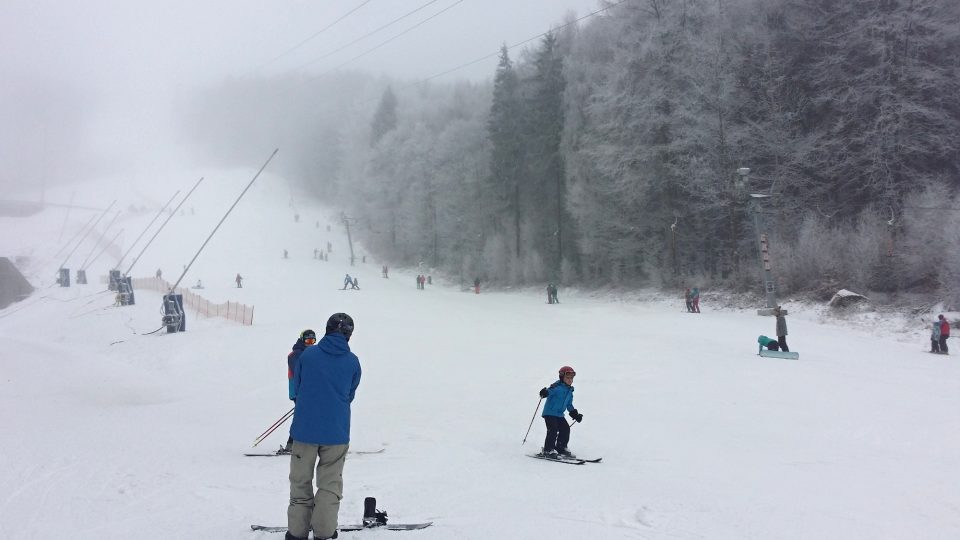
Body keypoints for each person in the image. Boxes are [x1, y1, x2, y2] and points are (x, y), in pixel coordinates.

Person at [287, 313, 361, 540]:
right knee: (329, 485)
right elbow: (349, 393)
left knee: (300, 482)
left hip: (304, 431)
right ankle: (324, 532)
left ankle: (297, 532)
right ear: (349, 335)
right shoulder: (352, 361)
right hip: (336, 433)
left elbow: (296, 387)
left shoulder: (308, 356)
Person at [537, 366, 583, 458]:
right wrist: (544, 393)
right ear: (562, 377)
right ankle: (548, 450)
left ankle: (561, 447)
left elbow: (569, 405)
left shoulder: (570, 391)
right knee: (553, 430)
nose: (570, 380)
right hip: (549, 413)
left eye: (571, 378)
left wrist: (575, 414)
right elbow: (549, 391)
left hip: (559, 414)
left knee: (565, 429)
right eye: (568, 378)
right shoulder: (556, 387)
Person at [283, 329, 317, 453]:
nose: (310, 343)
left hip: (308, 390)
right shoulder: (295, 355)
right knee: (301, 416)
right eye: (308, 340)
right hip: (298, 391)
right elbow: (300, 373)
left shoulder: (312, 353)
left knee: (306, 415)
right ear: (302, 340)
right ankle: (291, 444)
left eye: (313, 341)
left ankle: (306, 443)